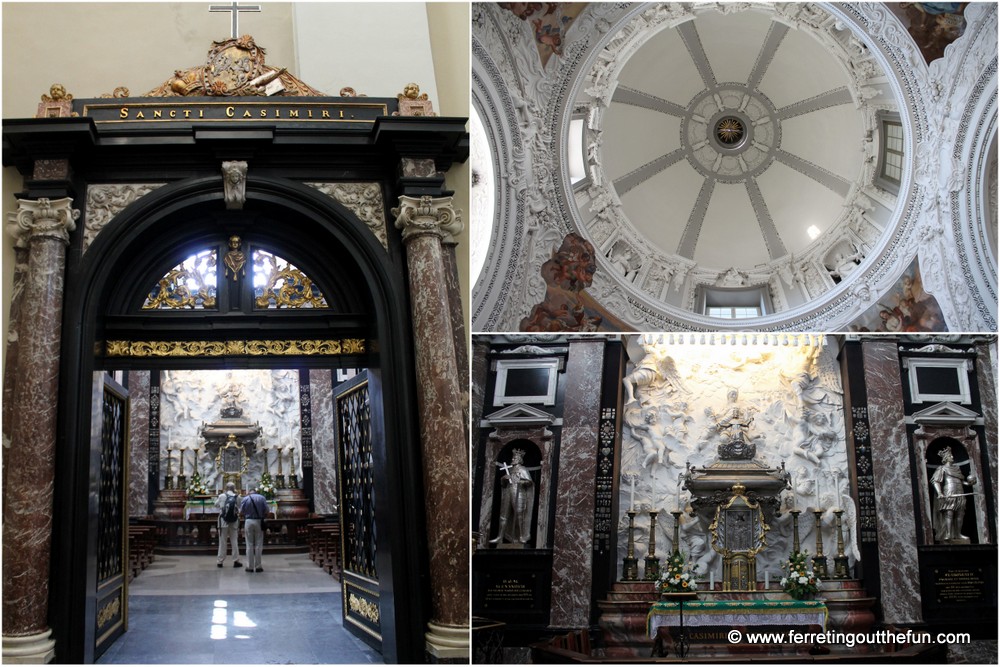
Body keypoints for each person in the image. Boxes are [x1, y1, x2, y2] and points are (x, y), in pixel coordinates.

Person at [489, 449, 535, 545]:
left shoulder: (523, 469)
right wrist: (503, 479)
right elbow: (503, 483)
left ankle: (521, 536)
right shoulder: (509, 469)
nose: (513, 459)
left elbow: (529, 482)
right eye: (513, 457)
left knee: (519, 515)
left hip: (519, 493)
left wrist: (520, 481)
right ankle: (500, 537)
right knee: (503, 515)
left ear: (519, 460)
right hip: (508, 492)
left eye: (515, 458)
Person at [931, 446, 977, 543]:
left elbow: (961, 481)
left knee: (960, 513)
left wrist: (969, 483)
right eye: (950, 455)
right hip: (949, 491)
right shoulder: (942, 468)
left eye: (951, 455)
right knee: (949, 513)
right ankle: (948, 534)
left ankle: (958, 533)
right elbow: (936, 481)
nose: (952, 456)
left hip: (960, 492)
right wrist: (939, 493)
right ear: (945, 458)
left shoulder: (957, 469)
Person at [241, 485, 269, 572]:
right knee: (258, 544)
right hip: (258, 521)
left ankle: (249, 566)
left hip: (248, 521)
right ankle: (258, 566)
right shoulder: (262, 498)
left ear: (249, 492)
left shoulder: (245, 499)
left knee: (249, 544)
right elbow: (267, 510)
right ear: (256, 492)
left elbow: (241, 511)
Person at [215, 482, 242, 568]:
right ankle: (236, 560)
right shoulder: (238, 497)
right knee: (234, 541)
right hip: (234, 522)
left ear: (226, 488)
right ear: (234, 488)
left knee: (222, 542)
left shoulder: (222, 496)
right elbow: (239, 506)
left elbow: (215, 504)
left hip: (223, 521)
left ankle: (220, 561)